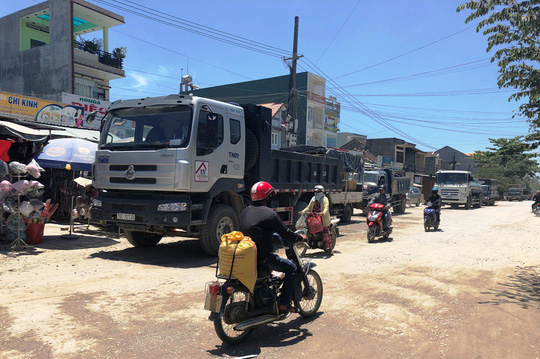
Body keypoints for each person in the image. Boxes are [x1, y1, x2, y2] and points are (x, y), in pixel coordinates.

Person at [240, 181, 305, 314]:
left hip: (246, 256)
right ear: (267, 197)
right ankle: (284, 304)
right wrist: (299, 238)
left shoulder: (245, 211)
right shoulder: (270, 214)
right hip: (262, 257)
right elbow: (286, 233)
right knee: (291, 268)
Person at [300, 185, 333, 255]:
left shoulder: (325, 199)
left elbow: (326, 207)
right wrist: (303, 211)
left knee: (326, 234)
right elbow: (308, 207)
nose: (317, 193)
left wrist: (323, 213)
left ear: (322, 191)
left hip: (322, 218)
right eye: (315, 191)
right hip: (313, 217)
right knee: (308, 228)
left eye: (318, 191)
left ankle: (330, 249)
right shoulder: (313, 199)